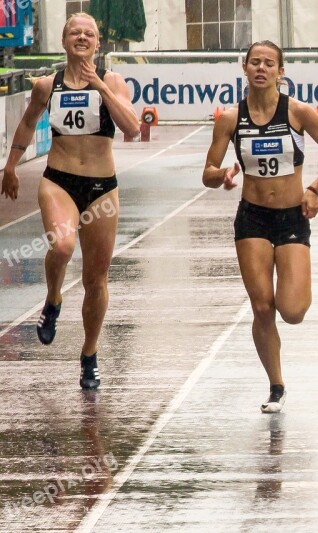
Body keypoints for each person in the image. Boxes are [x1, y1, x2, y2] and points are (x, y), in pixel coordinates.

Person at [203, 40, 318, 413]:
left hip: (291, 218)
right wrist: (223, 175)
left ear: (280, 72)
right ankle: (276, 385)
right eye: (255, 62)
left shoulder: (297, 112)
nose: (261, 68)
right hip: (252, 218)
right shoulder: (231, 119)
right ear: (245, 68)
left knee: (292, 310)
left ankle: (281, 362)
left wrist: (314, 189)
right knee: (262, 307)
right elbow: (208, 173)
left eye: (269, 63)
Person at [1, 13, 140, 390]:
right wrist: (11, 166)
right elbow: (29, 122)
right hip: (59, 180)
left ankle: (89, 355)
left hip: (101, 188)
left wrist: (101, 87)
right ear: (64, 41)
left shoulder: (112, 81)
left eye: (89, 33)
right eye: (74, 32)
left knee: (96, 279)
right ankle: (53, 299)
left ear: (98, 43)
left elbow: (132, 127)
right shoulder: (47, 86)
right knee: (62, 245)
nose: (82, 37)